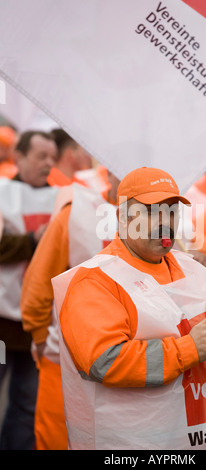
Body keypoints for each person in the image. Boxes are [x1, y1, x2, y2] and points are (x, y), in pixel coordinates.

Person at [52, 167, 206, 450]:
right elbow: (105, 361)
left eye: (171, 212)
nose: (165, 222)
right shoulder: (95, 280)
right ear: (122, 217)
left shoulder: (191, 268)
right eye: (153, 212)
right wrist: (189, 349)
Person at [20, 171, 120, 450]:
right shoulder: (77, 212)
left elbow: (204, 249)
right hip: (65, 359)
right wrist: (41, 337)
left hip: (127, 367)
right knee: (56, 440)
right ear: (109, 172)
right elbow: (39, 280)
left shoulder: (164, 217)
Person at [0, 130, 58, 450]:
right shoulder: (2, 191)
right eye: (40, 156)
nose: (48, 163)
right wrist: (33, 240)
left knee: (26, 405)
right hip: (2, 319)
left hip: (37, 325)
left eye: (52, 156)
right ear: (19, 157)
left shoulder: (64, 199)